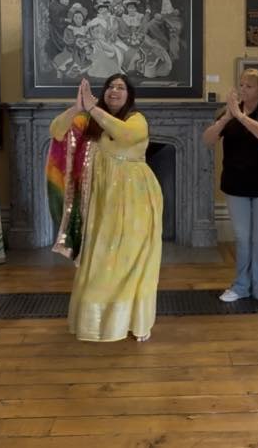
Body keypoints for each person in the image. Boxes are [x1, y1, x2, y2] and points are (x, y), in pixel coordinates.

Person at [47, 75, 163, 342]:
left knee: (132, 259)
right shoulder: (88, 120)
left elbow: (125, 136)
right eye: (110, 86)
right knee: (100, 259)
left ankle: (136, 322)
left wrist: (93, 108)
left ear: (129, 95)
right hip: (100, 200)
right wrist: (78, 107)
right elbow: (56, 130)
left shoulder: (136, 119)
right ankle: (97, 322)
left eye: (121, 87)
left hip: (135, 199)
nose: (114, 90)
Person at [202, 68, 258, 308]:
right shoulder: (229, 113)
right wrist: (227, 117)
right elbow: (207, 140)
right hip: (236, 185)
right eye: (241, 85)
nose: (242, 90)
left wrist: (240, 117)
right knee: (242, 238)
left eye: (249, 86)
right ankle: (240, 285)